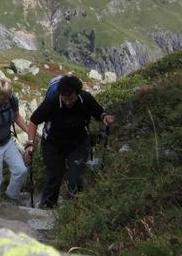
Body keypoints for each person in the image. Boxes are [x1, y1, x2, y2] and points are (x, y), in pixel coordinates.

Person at [26, 75, 115, 209]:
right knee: (54, 176)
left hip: (78, 143)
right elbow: (33, 121)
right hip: (53, 144)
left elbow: (98, 112)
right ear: (60, 94)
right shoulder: (52, 101)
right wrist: (30, 144)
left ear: (78, 93)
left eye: (71, 98)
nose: (68, 102)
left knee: (76, 177)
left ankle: (75, 208)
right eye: (65, 98)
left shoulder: (85, 98)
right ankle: (47, 207)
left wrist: (105, 117)